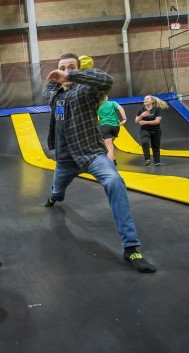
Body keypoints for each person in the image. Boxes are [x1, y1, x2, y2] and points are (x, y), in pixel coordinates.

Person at [42, 52, 156, 273]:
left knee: (114, 181)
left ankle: (131, 247)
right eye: (62, 67)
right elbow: (49, 90)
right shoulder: (53, 94)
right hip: (65, 159)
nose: (65, 70)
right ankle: (54, 196)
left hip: (91, 153)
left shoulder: (86, 91)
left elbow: (106, 81)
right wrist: (60, 80)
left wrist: (74, 77)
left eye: (70, 67)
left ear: (78, 70)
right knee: (57, 191)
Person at [135, 95, 169, 166]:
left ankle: (157, 162)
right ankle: (147, 159)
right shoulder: (141, 109)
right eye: (144, 99)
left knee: (155, 146)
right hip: (145, 129)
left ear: (152, 101)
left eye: (147, 98)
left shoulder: (157, 109)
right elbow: (136, 121)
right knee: (145, 142)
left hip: (156, 130)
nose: (145, 100)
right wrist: (141, 116)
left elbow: (157, 122)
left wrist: (145, 122)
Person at [97, 95, 127, 166]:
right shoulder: (113, 103)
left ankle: (109, 166)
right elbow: (120, 108)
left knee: (109, 147)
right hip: (116, 127)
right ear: (106, 98)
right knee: (111, 144)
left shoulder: (97, 106)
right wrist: (124, 119)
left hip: (105, 126)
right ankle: (114, 160)